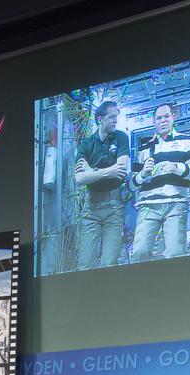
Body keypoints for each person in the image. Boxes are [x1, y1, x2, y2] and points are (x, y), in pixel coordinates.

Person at [131, 103, 190, 263]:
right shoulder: (144, 148)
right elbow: (131, 185)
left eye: (166, 116)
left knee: (175, 254)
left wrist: (177, 168)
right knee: (140, 253)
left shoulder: (186, 141)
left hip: (176, 203)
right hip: (148, 206)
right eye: (159, 118)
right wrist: (142, 174)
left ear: (173, 117)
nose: (163, 121)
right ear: (154, 122)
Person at [74, 100, 130, 269]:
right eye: (111, 117)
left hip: (114, 206)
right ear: (100, 119)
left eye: (116, 117)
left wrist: (92, 171)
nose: (115, 120)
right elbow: (79, 179)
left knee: (109, 264)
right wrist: (107, 172)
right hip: (91, 208)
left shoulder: (120, 137)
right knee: (85, 264)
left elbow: (121, 169)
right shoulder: (86, 144)